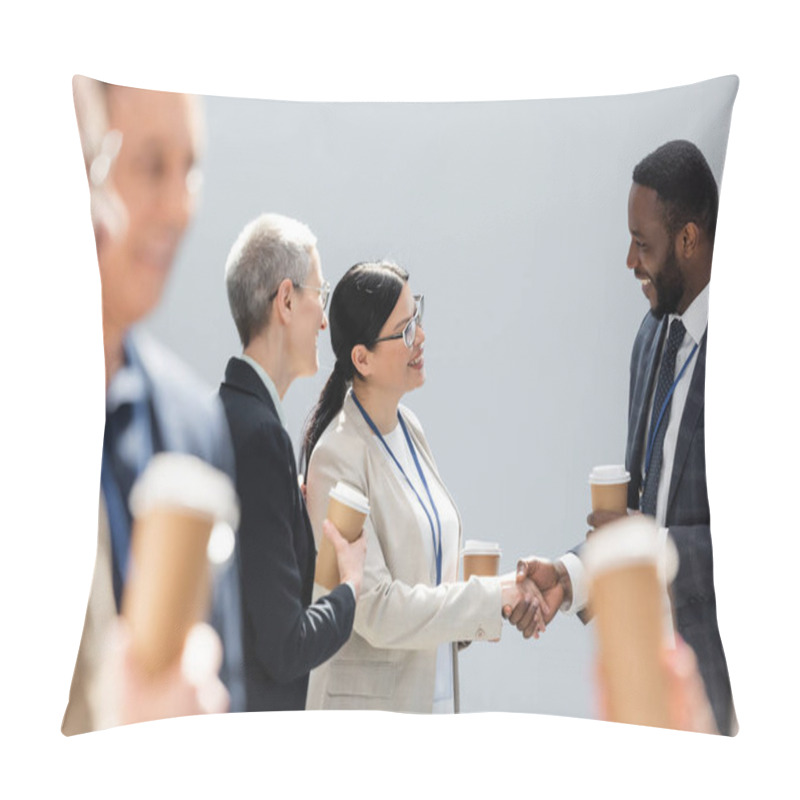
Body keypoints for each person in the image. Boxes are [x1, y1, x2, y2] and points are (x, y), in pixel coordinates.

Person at [514, 140, 736, 735]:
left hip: (719, 682)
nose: (630, 262)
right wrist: (567, 576)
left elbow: (761, 549)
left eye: (644, 245)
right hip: (641, 673)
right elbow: (638, 513)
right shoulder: (651, 336)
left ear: (689, 240)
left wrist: (652, 545)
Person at [62, 78, 237, 735]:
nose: (179, 207)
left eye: (190, 168)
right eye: (150, 166)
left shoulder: (194, 423)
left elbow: (229, 687)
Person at [301, 261, 547, 713]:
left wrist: (496, 601)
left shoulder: (409, 428)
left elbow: (428, 584)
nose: (422, 337)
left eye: (419, 317)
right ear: (362, 359)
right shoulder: (337, 457)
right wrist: (494, 595)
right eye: (406, 328)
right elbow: (374, 609)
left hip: (434, 702)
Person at [219, 213, 366, 712]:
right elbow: (284, 647)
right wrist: (350, 587)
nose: (325, 320)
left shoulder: (228, 417)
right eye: (318, 297)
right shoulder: (262, 439)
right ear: (286, 300)